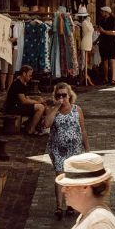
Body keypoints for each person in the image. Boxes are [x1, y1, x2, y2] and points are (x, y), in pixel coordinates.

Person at [41, 83, 90, 219]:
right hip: (57, 148)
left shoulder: (77, 109)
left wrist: (87, 149)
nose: (62, 97)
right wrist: (56, 107)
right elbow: (46, 124)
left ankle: (70, 205)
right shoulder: (52, 109)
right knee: (60, 175)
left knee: (72, 177)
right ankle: (59, 206)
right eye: (59, 95)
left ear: (70, 96)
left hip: (74, 148)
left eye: (64, 95)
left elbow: (83, 129)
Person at [5, 65, 47, 135]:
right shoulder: (18, 84)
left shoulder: (23, 83)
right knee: (40, 107)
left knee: (41, 104)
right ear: (24, 74)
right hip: (13, 107)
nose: (31, 77)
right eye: (29, 75)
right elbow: (24, 100)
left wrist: (38, 100)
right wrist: (37, 102)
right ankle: (31, 129)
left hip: (18, 105)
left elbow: (27, 98)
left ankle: (31, 124)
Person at [97, 6, 115, 85]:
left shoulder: (113, 20)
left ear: (106, 12)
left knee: (112, 60)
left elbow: (114, 32)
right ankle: (106, 78)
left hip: (111, 43)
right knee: (104, 60)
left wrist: (104, 31)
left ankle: (113, 79)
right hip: (103, 42)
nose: (101, 13)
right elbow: (101, 32)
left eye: (102, 11)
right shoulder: (102, 20)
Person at [77, 7, 95, 86]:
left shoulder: (89, 22)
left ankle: (85, 76)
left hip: (89, 41)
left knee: (86, 61)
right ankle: (84, 77)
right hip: (85, 42)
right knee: (84, 61)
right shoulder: (84, 23)